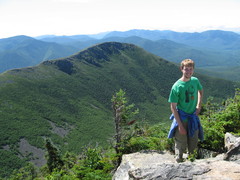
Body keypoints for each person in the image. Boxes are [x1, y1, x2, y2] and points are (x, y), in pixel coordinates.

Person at [167, 59, 204, 162]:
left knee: (193, 143)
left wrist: (198, 106)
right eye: (186, 69)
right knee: (180, 144)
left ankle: (192, 162)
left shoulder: (195, 80)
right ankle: (178, 163)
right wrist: (180, 126)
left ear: (193, 69)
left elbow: (200, 91)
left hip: (193, 117)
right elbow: (173, 107)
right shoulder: (177, 86)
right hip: (182, 118)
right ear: (181, 69)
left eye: (190, 69)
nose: (188, 72)